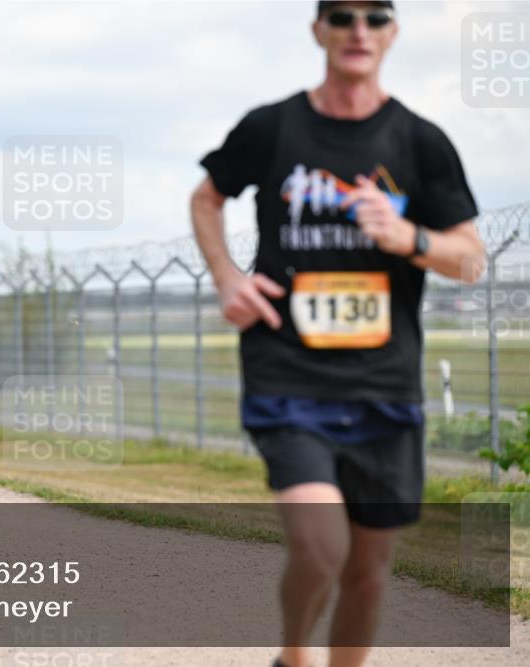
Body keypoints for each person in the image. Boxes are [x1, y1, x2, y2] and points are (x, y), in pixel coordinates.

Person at [189, 3, 486, 667]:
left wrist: (408, 237)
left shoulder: (420, 141)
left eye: (375, 16)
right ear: (318, 30)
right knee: (323, 547)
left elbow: (470, 258)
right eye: (343, 15)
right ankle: (295, 655)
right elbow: (207, 197)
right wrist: (226, 275)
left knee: (368, 572)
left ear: (392, 34)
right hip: (288, 375)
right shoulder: (273, 128)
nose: (359, 29)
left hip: (386, 384)